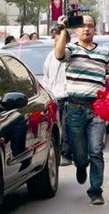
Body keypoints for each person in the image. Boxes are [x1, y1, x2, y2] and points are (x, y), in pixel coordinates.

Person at [55, 13, 109, 205]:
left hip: (98, 109)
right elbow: (59, 55)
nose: (86, 29)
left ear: (95, 28)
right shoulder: (71, 49)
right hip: (75, 108)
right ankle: (80, 166)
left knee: (96, 150)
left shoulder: (105, 52)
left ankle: (95, 190)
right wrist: (62, 30)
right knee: (81, 154)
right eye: (82, 26)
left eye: (90, 25)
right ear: (76, 29)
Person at [44, 29, 72, 166]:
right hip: (55, 96)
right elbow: (46, 76)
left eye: (60, 40)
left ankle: (66, 154)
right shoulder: (50, 56)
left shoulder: (70, 54)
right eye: (55, 41)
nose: (57, 43)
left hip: (68, 96)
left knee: (66, 126)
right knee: (57, 127)